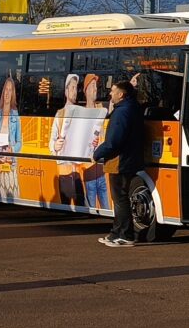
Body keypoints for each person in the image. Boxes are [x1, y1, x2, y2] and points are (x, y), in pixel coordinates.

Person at [92, 78, 146, 247]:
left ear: (121, 94)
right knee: (120, 198)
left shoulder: (122, 112)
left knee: (120, 198)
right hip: (128, 159)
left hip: (120, 161)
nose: (110, 94)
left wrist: (96, 154)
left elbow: (113, 142)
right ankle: (115, 233)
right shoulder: (132, 108)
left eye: (113, 91)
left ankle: (126, 235)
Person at [50, 73, 83, 204]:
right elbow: (51, 141)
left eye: (77, 88)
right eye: (73, 88)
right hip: (64, 169)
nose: (75, 92)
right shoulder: (60, 114)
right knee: (67, 205)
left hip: (77, 170)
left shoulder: (81, 112)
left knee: (81, 204)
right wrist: (55, 145)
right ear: (66, 91)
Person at [0, 75, 22, 201]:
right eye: (5, 90)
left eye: (10, 90)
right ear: (3, 93)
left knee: (14, 198)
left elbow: (20, 142)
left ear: (13, 94)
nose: (7, 93)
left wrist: (12, 149)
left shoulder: (15, 115)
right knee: (1, 198)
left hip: (10, 164)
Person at [80, 73, 109, 210]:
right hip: (89, 172)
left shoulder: (100, 108)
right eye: (92, 86)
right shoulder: (81, 114)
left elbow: (115, 105)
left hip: (102, 173)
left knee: (107, 209)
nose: (95, 89)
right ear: (85, 90)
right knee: (90, 209)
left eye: (96, 86)